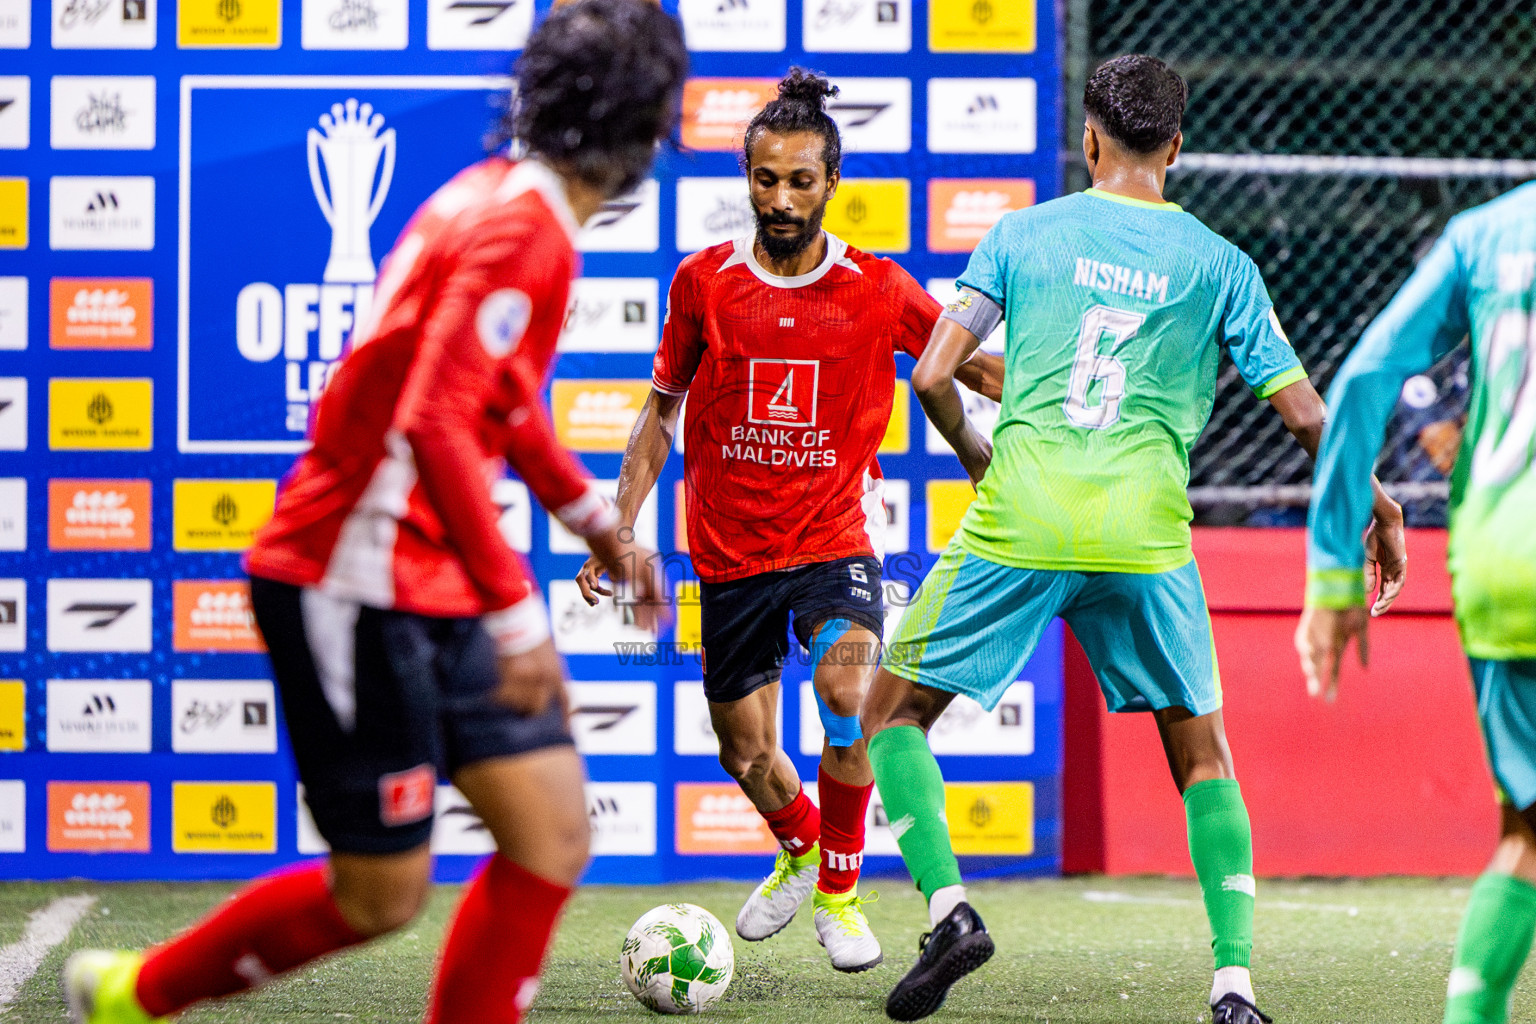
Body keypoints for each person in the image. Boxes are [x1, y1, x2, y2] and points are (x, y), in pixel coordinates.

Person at [61, 3, 682, 1022]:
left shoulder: (501, 198)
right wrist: (518, 620)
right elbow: (433, 420)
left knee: (552, 833)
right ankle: (134, 997)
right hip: (352, 577)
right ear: (647, 122)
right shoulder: (523, 227)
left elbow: (496, 396)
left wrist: (592, 519)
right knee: (380, 895)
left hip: (427, 576)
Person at [859, 54, 1408, 1023]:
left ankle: (949, 910)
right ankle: (1233, 984)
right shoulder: (1221, 264)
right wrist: (1376, 501)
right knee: (1204, 758)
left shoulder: (1023, 233)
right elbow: (1305, 417)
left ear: (1089, 141)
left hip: (1022, 518)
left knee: (890, 715)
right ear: (1177, 148)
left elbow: (934, 375)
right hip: (1146, 538)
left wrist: (980, 456)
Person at [575, 67, 1001, 974]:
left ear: (830, 182)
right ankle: (801, 846)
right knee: (745, 753)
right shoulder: (704, 283)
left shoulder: (878, 287)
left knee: (848, 693)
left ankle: (840, 895)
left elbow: (971, 367)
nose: (780, 199)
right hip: (729, 550)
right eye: (766, 179)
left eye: (800, 180)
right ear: (747, 176)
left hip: (834, 539)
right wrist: (622, 525)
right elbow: (660, 412)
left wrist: (1069, 406)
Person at [1298, 185, 1536, 1024]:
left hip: (1507, 561)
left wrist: (1332, 570)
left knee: (1526, 834)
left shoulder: (1487, 233)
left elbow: (1367, 373)